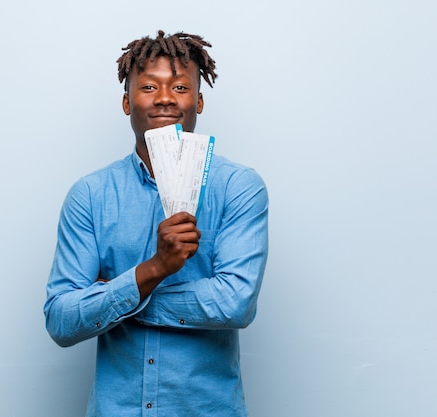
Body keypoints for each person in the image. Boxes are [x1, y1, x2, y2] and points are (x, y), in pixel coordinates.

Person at [44, 30, 269, 416]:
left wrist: (120, 294)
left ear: (198, 100)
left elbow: (235, 304)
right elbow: (62, 320)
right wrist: (154, 269)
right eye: (149, 86)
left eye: (180, 86)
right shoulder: (91, 195)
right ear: (126, 101)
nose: (165, 97)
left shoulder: (238, 187)